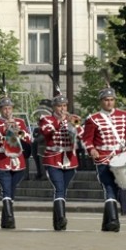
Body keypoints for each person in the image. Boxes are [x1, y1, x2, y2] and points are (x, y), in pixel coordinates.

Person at [82, 86, 126, 232]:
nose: (109, 103)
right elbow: (86, 140)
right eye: (106, 100)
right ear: (101, 101)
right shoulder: (93, 119)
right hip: (103, 158)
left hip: (121, 158)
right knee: (108, 186)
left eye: (112, 100)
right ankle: (113, 220)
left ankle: (107, 223)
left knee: (120, 188)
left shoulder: (123, 115)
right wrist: (92, 149)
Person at [38, 91, 83, 231]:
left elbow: (81, 134)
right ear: (54, 107)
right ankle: (62, 217)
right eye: (59, 106)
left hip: (69, 159)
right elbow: (47, 131)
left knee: (63, 190)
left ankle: (57, 221)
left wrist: (74, 123)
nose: (63, 108)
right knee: (59, 188)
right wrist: (61, 121)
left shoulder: (72, 118)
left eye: (64, 105)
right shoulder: (46, 119)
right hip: (53, 159)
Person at [0, 94, 32, 229]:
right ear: (0, 110)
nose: (7, 111)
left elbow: (29, 139)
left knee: (11, 191)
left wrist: (19, 132)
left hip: (18, 162)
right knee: (6, 190)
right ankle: (11, 218)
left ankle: (5, 221)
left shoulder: (20, 122)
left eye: (9, 108)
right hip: (2, 161)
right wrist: (3, 129)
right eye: (4, 108)